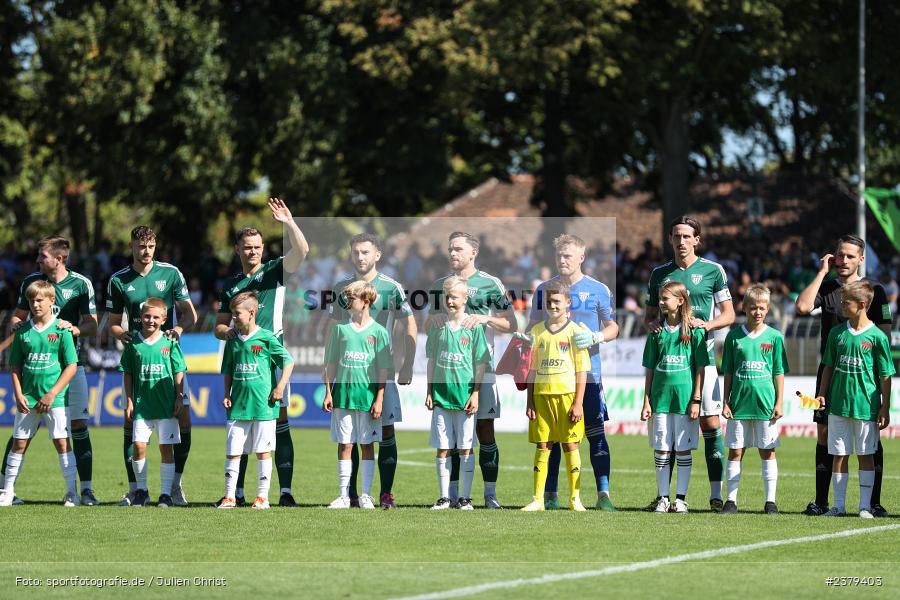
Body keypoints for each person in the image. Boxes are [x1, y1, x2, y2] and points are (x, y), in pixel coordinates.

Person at [215, 198, 309, 507]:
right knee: (241, 423)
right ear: (237, 249)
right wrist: (227, 332)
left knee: (279, 420)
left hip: (271, 357)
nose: (253, 251)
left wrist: (289, 223)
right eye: (247, 247)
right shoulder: (230, 285)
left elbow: (302, 251)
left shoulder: (275, 271)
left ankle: (285, 492)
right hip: (243, 359)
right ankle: (237, 493)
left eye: (257, 247)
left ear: (263, 249)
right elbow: (219, 326)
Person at [795, 235, 893, 517]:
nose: (844, 260)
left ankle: (872, 503)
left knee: (869, 441)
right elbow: (802, 307)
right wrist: (821, 272)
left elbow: (884, 335)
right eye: (840, 255)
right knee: (825, 435)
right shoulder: (826, 287)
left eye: (850, 256)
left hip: (863, 376)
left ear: (861, 259)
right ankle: (823, 502)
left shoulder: (874, 290)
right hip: (830, 371)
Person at [1, 236, 99, 506]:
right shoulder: (31, 282)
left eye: (42, 256)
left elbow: (93, 324)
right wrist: (16, 324)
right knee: (22, 433)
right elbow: (18, 315)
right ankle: (5, 488)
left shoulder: (81, 283)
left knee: (77, 426)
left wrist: (74, 329)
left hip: (70, 367)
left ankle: (85, 490)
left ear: (59, 259)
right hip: (36, 372)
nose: (37, 260)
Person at [645, 216, 734, 512]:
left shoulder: (713, 271)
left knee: (710, 422)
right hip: (670, 361)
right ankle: (664, 496)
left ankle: (715, 495)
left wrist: (707, 325)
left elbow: (729, 314)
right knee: (669, 428)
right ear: (670, 239)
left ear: (697, 240)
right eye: (676, 236)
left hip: (701, 358)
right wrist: (651, 325)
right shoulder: (659, 273)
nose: (681, 241)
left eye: (686, 236)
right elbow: (649, 316)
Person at [108, 226, 197, 506]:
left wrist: (179, 329)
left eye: (150, 247)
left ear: (155, 246)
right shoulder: (119, 280)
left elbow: (190, 315)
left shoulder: (171, 274)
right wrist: (122, 335)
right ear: (131, 247)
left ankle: (175, 486)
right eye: (140, 247)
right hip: (138, 357)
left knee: (184, 419)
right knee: (131, 423)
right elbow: (112, 323)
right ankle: (135, 489)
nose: (145, 252)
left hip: (166, 356)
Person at [528, 234, 618, 510]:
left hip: (587, 377)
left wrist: (596, 337)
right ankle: (550, 495)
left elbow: (613, 327)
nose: (562, 260)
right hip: (551, 379)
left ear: (581, 257)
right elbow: (532, 332)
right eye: (559, 255)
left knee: (595, 433)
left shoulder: (598, 289)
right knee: (552, 438)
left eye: (567, 255)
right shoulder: (543, 290)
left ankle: (603, 494)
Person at [327, 233, 416, 509]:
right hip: (349, 375)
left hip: (381, 375)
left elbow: (410, 325)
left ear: (378, 255)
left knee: (386, 432)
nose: (360, 257)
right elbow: (333, 329)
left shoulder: (392, 288)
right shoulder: (341, 288)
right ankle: (351, 495)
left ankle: (385, 493)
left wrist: (408, 364)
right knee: (350, 436)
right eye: (356, 252)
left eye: (365, 252)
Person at [428, 232, 516, 509]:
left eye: (458, 249)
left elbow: (511, 323)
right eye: (450, 249)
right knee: (452, 438)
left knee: (485, 431)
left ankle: (490, 495)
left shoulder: (490, 283)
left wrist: (485, 318)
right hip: (450, 373)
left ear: (473, 253)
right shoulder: (440, 285)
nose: (453, 253)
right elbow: (431, 323)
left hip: (481, 369)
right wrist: (435, 319)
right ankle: (452, 495)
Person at [815, 281, 894, 518]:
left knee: (865, 455)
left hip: (866, 407)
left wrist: (885, 407)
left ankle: (865, 506)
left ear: (861, 305)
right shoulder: (837, 333)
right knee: (839, 454)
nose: (841, 305)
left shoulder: (877, 337)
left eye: (845, 302)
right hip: (838, 406)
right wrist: (822, 393)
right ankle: (838, 505)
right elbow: (828, 366)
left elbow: (885, 375)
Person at [0, 281, 79, 507]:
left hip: (56, 399)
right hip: (29, 398)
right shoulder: (23, 331)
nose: (35, 305)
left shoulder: (62, 330)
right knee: (19, 444)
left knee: (62, 443)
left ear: (51, 301)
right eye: (31, 301)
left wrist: (52, 393)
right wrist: (18, 394)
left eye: (39, 300)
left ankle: (72, 493)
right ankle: (7, 491)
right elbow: (14, 365)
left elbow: (71, 366)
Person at [218, 292, 294, 509]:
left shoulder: (266, 337)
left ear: (251, 313)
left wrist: (280, 387)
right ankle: (229, 497)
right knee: (233, 452)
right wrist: (226, 394)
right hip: (238, 406)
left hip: (263, 406)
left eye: (237, 313)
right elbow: (228, 370)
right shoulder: (232, 340)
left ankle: (262, 497)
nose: (233, 318)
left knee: (263, 452)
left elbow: (288, 362)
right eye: (232, 314)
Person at [521, 282, 591, 512]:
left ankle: (574, 499)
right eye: (549, 302)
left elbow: (582, 371)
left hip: (567, 396)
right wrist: (529, 400)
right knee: (543, 445)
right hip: (541, 395)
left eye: (557, 302)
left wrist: (578, 403)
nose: (552, 306)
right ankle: (537, 500)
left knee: (570, 444)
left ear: (568, 303)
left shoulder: (576, 332)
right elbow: (531, 370)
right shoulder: (536, 331)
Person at [640, 281, 708, 514]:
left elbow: (700, 368)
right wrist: (646, 400)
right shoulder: (656, 332)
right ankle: (662, 498)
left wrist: (696, 399)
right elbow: (650, 368)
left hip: (685, 401)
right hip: (660, 400)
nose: (660, 302)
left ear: (680, 301)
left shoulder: (695, 331)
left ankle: (680, 499)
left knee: (683, 450)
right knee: (661, 449)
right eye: (660, 298)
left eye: (665, 298)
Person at [323, 281, 392, 509]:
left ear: (366, 302)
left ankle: (365, 495)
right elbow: (330, 364)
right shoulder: (340, 329)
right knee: (345, 445)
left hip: (367, 398)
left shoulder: (379, 332)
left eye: (352, 298)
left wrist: (379, 398)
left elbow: (383, 369)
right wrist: (328, 392)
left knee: (367, 445)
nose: (348, 302)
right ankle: (344, 496)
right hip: (343, 396)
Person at [720, 284, 788, 515]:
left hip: (765, 405)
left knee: (767, 451)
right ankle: (731, 501)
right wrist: (726, 401)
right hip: (739, 405)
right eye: (752, 308)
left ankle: (770, 502)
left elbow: (778, 371)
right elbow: (728, 371)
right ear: (744, 307)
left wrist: (779, 402)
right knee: (735, 451)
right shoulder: (734, 336)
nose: (757, 312)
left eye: (761, 308)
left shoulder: (775, 337)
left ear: (767, 309)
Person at [425, 276, 490, 510]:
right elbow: (432, 360)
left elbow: (481, 363)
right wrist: (429, 390)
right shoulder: (438, 327)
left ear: (465, 299)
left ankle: (465, 498)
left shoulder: (474, 327)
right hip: (441, 396)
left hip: (465, 397)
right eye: (447, 297)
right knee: (443, 447)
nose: (450, 301)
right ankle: (444, 498)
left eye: (454, 297)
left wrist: (476, 393)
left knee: (465, 447)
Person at [119, 298, 187, 508]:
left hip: (166, 406)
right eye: (147, 316)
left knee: (166, 449)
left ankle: (165, 494)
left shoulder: (169, 342)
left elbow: (178, 370)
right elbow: (128, 373)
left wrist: (179, 396)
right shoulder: (133, 344)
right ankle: (142, 491)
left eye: (156, 317)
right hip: (142, 407)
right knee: (139, 446)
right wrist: (129, 400)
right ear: (141, 317)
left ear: (164, 319)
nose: (151, 320)